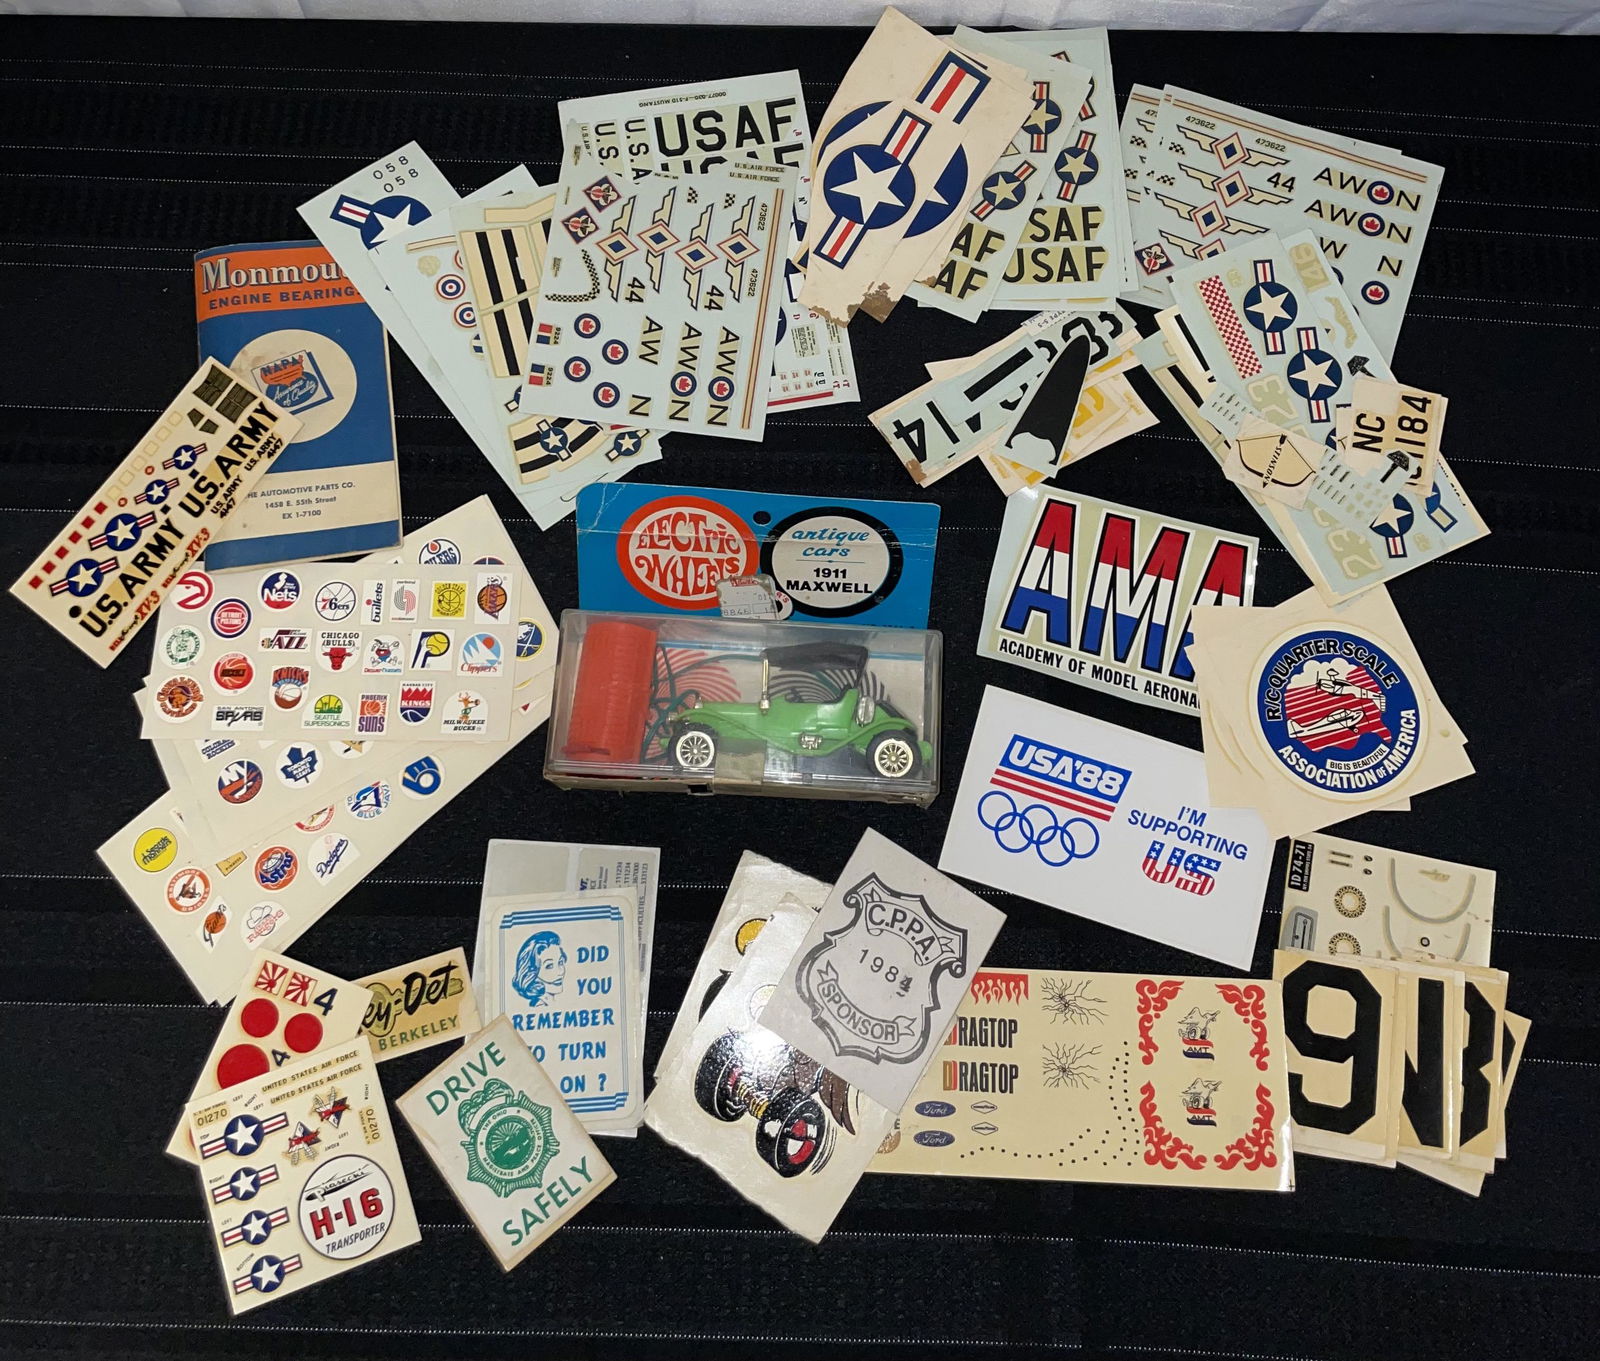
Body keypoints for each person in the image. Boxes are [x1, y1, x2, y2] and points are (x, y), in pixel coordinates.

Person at [512, 931, 567, 1008]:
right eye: (549, 966)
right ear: (532, 972)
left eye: (560, 962)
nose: (561, 972)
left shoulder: (551, 1003)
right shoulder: (540, 1006)